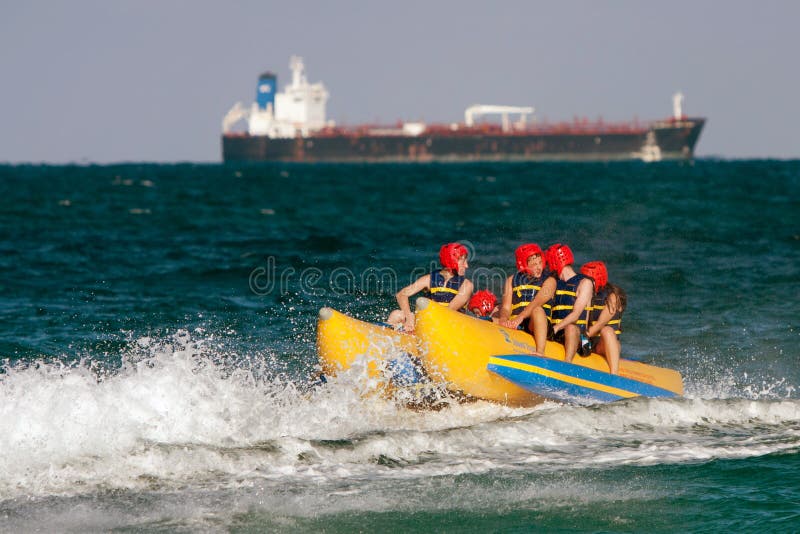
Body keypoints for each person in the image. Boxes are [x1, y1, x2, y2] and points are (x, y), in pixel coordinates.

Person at [387, 242, 474, 333]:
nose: (466, 265)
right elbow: (401, 295)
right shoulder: (428, 280)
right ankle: (393, 338)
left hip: (450, 328)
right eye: (463, 261)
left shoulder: (466, 285)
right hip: (429, 325)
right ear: (452, 261)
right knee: (396, 315)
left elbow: (448, 311)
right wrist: (409, 318)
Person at [499, 243, 556, 354]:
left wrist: (520, 318)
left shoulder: (550, 281)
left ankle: (540, 352)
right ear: (523, 265)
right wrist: (504, 319)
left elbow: (537, 302)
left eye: (540, 262)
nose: (539, 267)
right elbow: (506, 307)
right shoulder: (511, 280)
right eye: (534, 264)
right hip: (517, 323)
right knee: (495, 315)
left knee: (537, 310)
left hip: (537, 324)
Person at [547, 243, 594, 364]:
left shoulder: (585, 283)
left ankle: (567, 364)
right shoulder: (553, 282)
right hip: (555, 331)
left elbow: (576, 314)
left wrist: (556, 328)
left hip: (576, 334)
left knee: (571, 328)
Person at [581, 261, 626, 374]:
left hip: (606, 344)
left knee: (607, 330)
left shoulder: (613, 297)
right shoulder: (585, 293)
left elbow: (599, 324)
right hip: (590, 343)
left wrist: (581, 337)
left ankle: (614, 375)